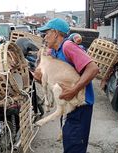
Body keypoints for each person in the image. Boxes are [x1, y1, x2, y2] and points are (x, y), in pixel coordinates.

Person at [34, 18, 99, 153]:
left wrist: (74, 89)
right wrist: (40, 79)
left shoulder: (67, 46)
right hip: (69, 104)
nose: (45, 37)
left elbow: (93, 69)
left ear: (56, 33)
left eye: (46, 33)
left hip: (80, 106)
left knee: (74, 146)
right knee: (69, 143)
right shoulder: (54, 52)